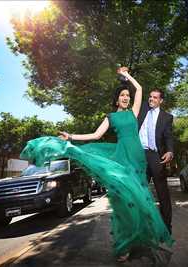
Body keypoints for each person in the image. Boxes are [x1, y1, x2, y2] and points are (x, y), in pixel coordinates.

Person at [20, 67, 173, 263]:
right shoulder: (111, 117)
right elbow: (95, 135)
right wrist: (72, 137)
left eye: (127, 95)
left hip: (138, 161)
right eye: (122, 95)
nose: (126, 97)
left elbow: (140, 88)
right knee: (124, 203)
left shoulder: (134, 113)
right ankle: (124, 243)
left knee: (141, 200)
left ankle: (141, 237)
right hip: (122, 159)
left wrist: (127, 76)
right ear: (116, 99)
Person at [138, 89, 174, 234]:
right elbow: (132, 93)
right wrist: (125, 79)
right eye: (150, 96)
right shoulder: (141, 109)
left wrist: (170, 151)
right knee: (140, 192)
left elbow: (168, 136)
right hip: (140, 156)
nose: (151, 99)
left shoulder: (167, 117)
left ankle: (166, 226)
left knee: (162, 193)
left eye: (155, 97)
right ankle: (142, 226)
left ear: (161, 101)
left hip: (156, 156)